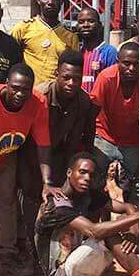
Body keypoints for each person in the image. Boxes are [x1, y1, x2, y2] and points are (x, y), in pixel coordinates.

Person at [0, 63, 53, 275]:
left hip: (6, 155)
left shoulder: (38, 103)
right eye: (16, 88)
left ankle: (7, 252)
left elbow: (43, 144)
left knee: (6, 202)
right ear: (7, 84)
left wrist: (47, 182)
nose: (20, 94)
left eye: (25, 89)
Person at [89, 42, 139, 207]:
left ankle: (135, 225)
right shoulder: (106, 78)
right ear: (117, 61)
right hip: (104, 135)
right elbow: (91, 114)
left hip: (132, 138)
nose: (131, 68)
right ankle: (98, 226)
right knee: (95, 183)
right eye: (126, 63)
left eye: (136, 64)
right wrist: (87, 146)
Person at [36, 50, 99, 186]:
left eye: (76, 79)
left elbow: (78, 139)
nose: (71, 83)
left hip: (59, 152)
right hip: (33, 153)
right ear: (56, 74)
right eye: (66, 77)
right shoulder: (40, 96)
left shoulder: (83, 101)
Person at [11, 0, 79, 85]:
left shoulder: (71, 37)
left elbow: (74, 70)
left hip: (56, 96)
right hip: (30, 94)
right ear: (38, 0)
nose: (50, 2)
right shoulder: (23, 28)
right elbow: (12, 61)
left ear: (61, 1)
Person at [77, 7, 118, 94]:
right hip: (79, 105)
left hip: (100, 106)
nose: (85, 25)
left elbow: (114, 85)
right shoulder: (77, 52)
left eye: (91, 21)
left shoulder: (109, 52)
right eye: (81, 22)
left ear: (99, 25)